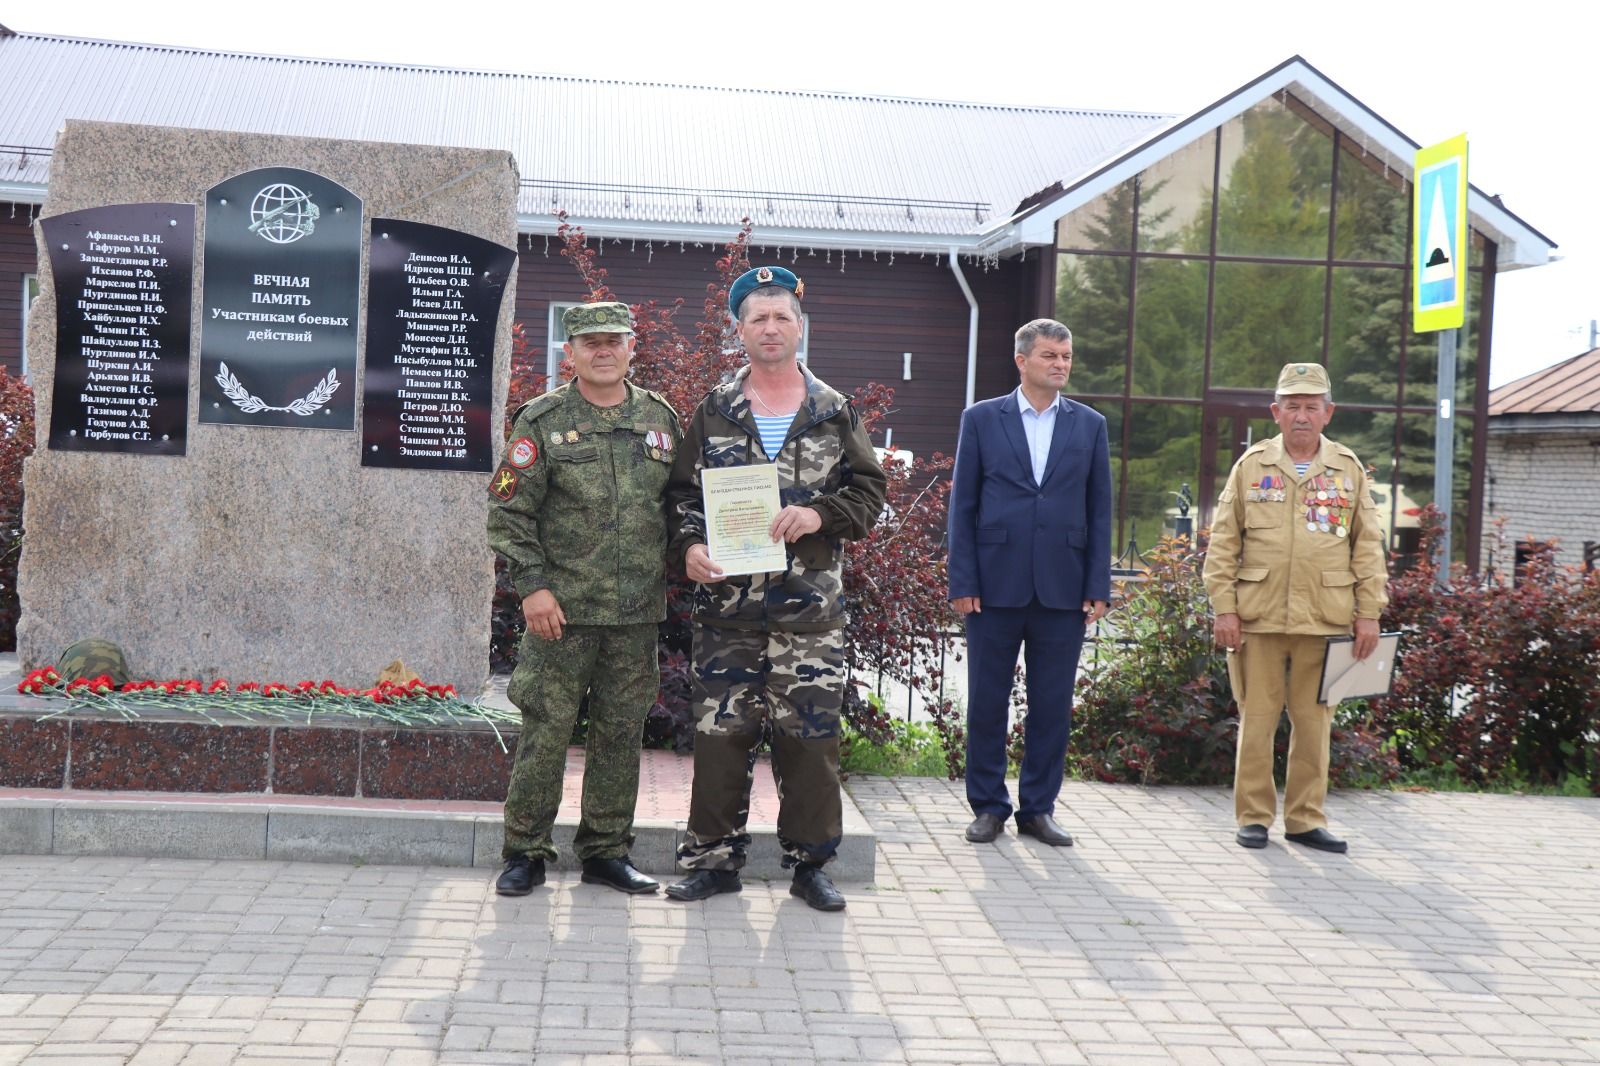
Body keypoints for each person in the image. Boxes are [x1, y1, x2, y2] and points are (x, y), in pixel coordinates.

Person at [661, 266, 887, 912]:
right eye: (757, 318)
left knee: (811, 740)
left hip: (809, 612)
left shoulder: (832, 410)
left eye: (780, 317)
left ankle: (811, 865)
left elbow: (869, 493)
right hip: (728, 611)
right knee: (719, 735)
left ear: (799, 326)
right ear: (740, 330)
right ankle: (713, 861)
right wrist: (690, 549)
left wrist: (820, 515)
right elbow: (681, 497)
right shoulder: (715, 410)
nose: (769, 328)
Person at [487, 300, 680, 895]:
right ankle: (524, 851)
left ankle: (605, 850)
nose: (602, 351)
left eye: (613, 340)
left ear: (630, 347)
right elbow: (508, 511)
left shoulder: (661, 420)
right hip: (559, 615)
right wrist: (533, 589)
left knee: (621, 735)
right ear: (568, 353)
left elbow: (680, 506)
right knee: (547, 731)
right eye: (588, 342)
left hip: (634, 613)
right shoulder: (541, 421)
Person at [1202, 362, 1388, 854]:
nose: (1301, 416)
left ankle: (1305, 819)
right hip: (1258, 617)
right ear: (1275, 413)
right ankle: (1254, 818)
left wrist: (1369, 613)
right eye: (1292, 406)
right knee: (1257, 720)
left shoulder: (1348, 469)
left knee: (1314, 724)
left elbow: (1368, 546)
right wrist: (1225, 608)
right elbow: (1223, 544)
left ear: (1328, 413)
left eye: (1311, 406)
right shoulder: (1251, 466)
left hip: (1325, 619)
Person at [946, 318, 1112, 847]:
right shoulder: (981, 420)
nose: (1060, 364)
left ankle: (1038, 809)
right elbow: (963, 507)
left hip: (1063, 591)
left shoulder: (1089, 425)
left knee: (1051, 705)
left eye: (1066, 356)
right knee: (988, 701)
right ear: (1022, 361)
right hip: (993, 587)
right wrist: (963, 579)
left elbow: (1100, 510)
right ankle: (989, 807)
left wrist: (1097, 585)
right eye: (1049, 356)